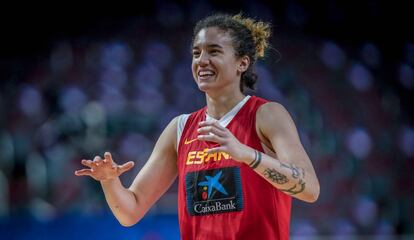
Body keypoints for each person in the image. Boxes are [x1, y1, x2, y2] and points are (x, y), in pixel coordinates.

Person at [75, 13, 320, 240]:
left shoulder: (266, 115)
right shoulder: (179, 128)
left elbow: (309, 188)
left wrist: (247, 154)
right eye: (196, 53)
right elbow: (130, 212)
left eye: (214, 51)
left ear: (242, 63)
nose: (202, 60)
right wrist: (109, 181)